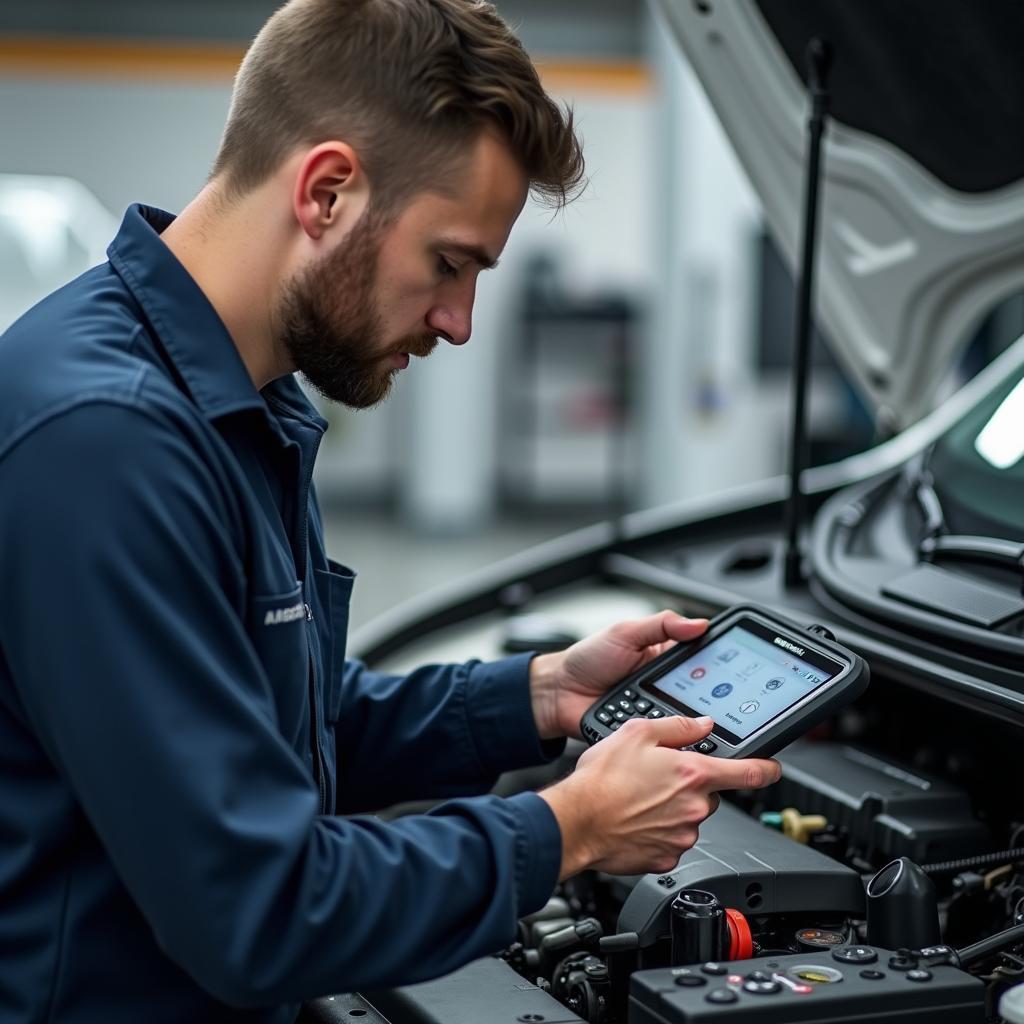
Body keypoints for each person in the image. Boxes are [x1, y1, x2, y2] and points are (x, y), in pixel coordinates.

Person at [0, 1, 781, 1021]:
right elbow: (259, 908)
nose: (457, 323)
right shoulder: (109, 442)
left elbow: (270, 725)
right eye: (450, 264)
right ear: (326, 191)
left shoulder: (237, 403)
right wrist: (568, 828)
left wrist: (536, 695)